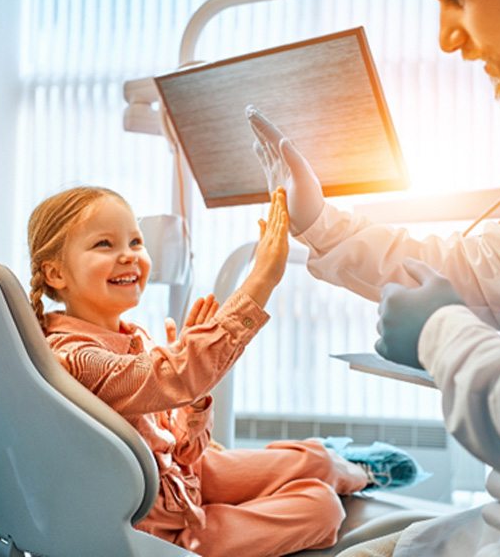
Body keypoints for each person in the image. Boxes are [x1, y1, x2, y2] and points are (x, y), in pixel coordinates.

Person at [246, 0, 500, 555]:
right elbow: (488, 268)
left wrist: (439, 334)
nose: (448, 38)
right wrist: (321, 224)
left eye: (458, 1)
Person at [27, 184, 374, 557]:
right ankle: (349, 481)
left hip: (181, 478)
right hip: (160, 530)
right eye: (105, 245)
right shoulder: (72, 357)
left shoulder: (133, 336)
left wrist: (191, 398)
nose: (129, 256)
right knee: (321, 506)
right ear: (55, 273)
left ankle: (368, 473)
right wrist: (261, 280)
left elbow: (186, 449)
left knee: (317, 460)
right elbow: (169, 377)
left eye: (135, 242)